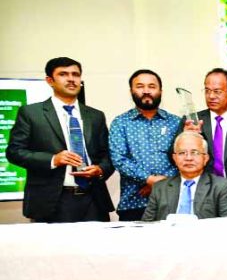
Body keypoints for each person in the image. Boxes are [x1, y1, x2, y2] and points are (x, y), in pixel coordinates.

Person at [7, 57, 115, 222]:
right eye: (63, 74)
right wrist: (53, 159)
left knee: (97, 248)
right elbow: (14, 152)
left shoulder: (95, 116)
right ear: (50, 80)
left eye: (75, 74)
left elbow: (107, 154)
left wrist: (100, 170)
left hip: (94, 200)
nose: (71, 79)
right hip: (52, 201)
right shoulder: (31, 113)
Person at [180, 68, 227, 215]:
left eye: (217, 91)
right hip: (201, 198)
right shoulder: (191, 121)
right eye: (207, 90)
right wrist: (187, 137)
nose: (211, 96)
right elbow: (173, 157)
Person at [110, 69, 182, 221]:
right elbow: (119, 159)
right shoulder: (120, 123)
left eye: (152, 86)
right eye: (140, 86)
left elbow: (183, 158)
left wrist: (160, 183)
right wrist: (148, 179)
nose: (146, 91)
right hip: (133, 203)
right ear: (131, 91)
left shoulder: (176, 122)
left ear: (160, 91)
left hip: (172, 201)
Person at [142, 132, 227, 221]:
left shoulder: (222, 186)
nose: (188, 158)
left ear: (205, 158)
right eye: (182, 153)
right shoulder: (160, 187)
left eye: (195, 153)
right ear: (174, 158)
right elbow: (146, 224)